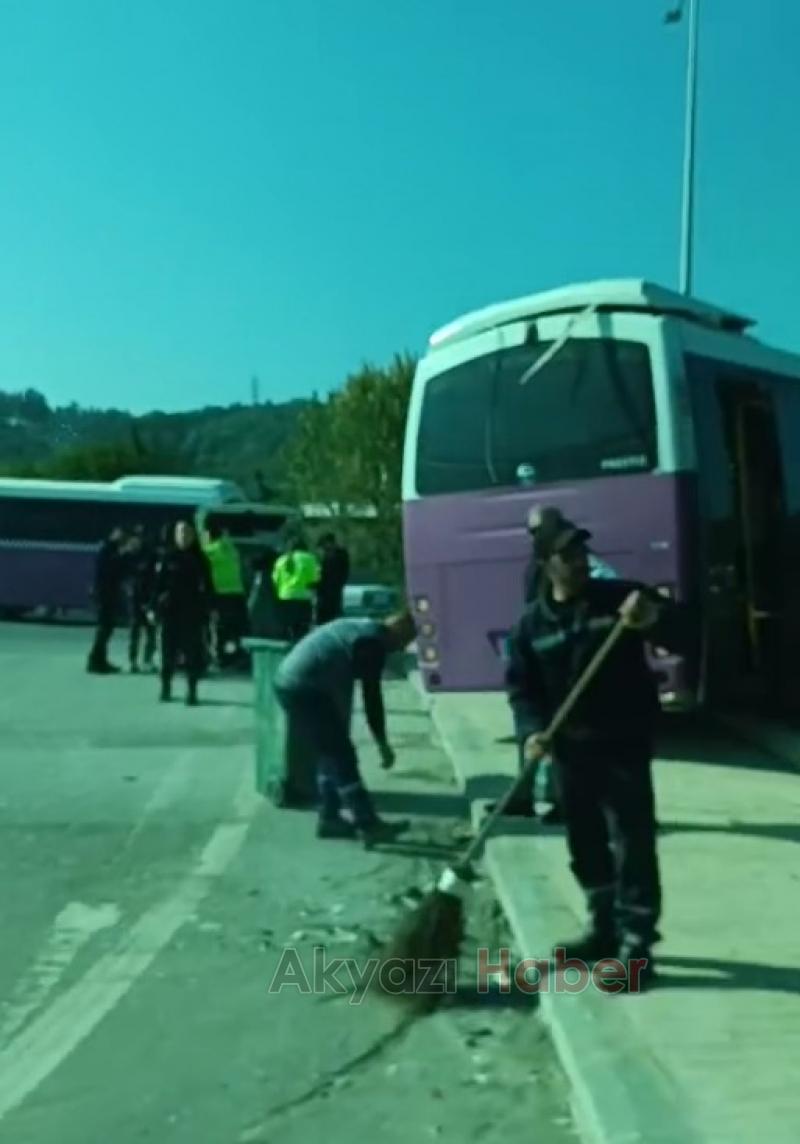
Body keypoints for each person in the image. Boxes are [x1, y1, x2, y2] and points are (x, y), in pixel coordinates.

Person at [504, 512, 687, 988]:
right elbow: (522, 690)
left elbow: (683, 631)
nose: (581, 561)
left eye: (582, 551)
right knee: (584, 841)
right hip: (571, 749)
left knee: (632, 841)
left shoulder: (619, 599)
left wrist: (655, 618)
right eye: (568, 555)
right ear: (547, 564)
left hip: (623, 739)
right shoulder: (530, 628)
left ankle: (636, 945)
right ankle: (603, 927)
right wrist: (531, 733)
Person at [273, 611, 417, 842]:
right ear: (397, 628)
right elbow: (372, 698)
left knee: (329, 752)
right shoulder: (371, 643)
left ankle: (329, 818)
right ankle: (368, 825)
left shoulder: (362, 629)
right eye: (405, 640)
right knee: (341, 755)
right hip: (304, 687)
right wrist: (382, 744)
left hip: (291, 681)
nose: (401, 649)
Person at [151, 520, 214, 706]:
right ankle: (165, 687)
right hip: (170, 613)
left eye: (187, 533)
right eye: (180, 533)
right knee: (167, 653)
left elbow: (209, 586)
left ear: (193, 536)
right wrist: (153, 608)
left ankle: (192, 691)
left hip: (192, 613)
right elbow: (157, 585)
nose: (183, 536)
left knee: (193, 655)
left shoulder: (200, 559)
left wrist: (209, 608)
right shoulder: (167, 557)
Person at [202, 521, 248, 668]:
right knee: (237, 627)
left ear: (208, 535)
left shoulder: (209, 551)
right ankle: (238, 655)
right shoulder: (232, 549)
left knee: (218, 627)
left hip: (219, 593)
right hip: (237, 592)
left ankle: (219, 657)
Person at [86, 526, 131, 674]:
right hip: (105, 595)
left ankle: (101, 659)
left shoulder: (113, 549)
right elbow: (110, 569)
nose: (122, 537)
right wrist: (123, 555)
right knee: (104, 629)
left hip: (110, 594)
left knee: (107, 628)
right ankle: (95, 660)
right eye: (120, 534)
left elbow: (123, 571)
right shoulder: (106, 550)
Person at [272, 535, 320, 642]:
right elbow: (315, 580)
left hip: (284, 598)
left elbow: (275, 580)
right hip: (303, 599)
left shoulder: (281, 561)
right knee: (301, 632)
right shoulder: (309, 558)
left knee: (285, 629)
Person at [127, 526, 158, 673]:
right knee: (137, 632)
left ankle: (145, 660)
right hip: (138, 599)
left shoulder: (150, 555)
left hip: (146, 599)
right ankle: (135, 661)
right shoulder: (131, 555)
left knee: (148, 631)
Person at [315, 532, 350, 625]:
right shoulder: (337, 554)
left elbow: (327, 575)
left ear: (329, 542)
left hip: (329, 592)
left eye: (324, 545)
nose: (323, 548)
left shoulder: (335, 555)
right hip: (332, 591)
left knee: (328, 617)